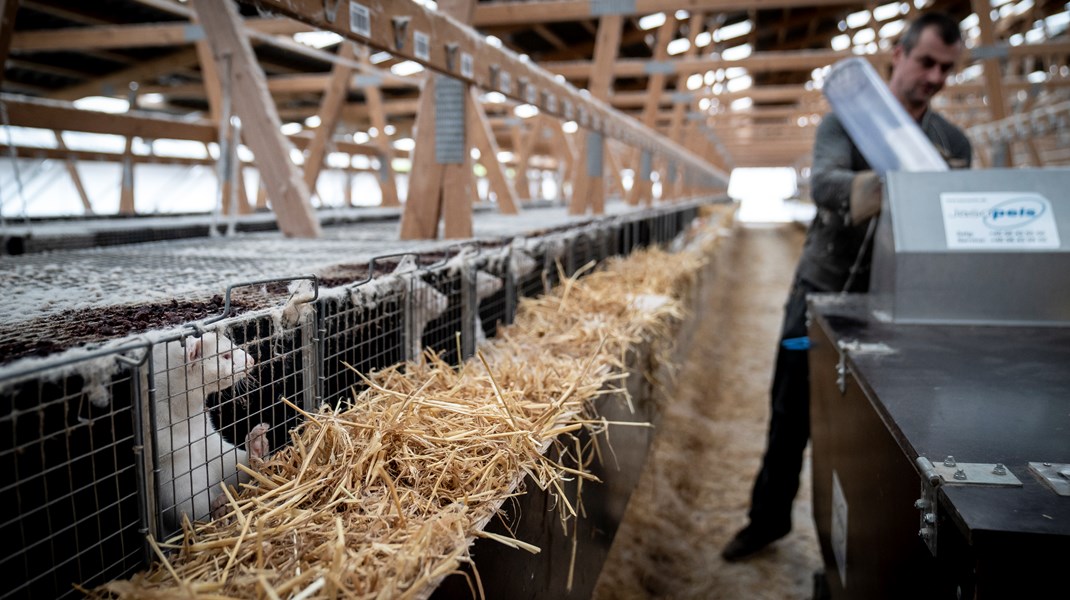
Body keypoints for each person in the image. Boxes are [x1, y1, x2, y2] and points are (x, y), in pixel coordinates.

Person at [721, 11, 973, 562]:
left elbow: (959, 220)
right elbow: (827, 184)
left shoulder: (953, 143)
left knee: (898, 419)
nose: (934, 77)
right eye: (926, 61)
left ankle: (883, 536)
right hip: (821, 292)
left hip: (904, 303)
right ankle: (767, 521)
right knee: (792, 410)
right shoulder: (846, 125)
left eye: (946, 69)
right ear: (896, 56)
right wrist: (906, 181)